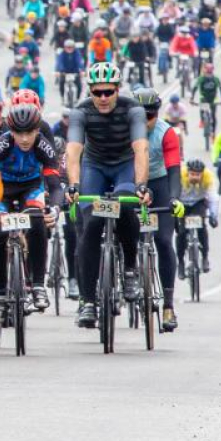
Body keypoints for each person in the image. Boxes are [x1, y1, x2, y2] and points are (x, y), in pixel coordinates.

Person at [64, 62, 150, 329]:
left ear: (117, 89)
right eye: (97, 92)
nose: (102, 98)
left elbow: (141, 149)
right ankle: (88, 302)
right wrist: (74, 186)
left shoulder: (132, 110)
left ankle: (130, 268)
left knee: (124, 206)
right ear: (90, 90)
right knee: (89, 225)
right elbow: (74, 151)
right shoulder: (81, 111)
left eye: (108, 92)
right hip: (95, 166)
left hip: (124, 166)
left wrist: (141, 185)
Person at [0, 101, 63, 314]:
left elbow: (55, 186)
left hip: (30, 188)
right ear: (11, 131)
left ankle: (37, 285)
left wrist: (54, 209)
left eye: (30, 133)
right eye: (19, 133)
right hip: (3, 189)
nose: (25, 139)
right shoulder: (1, 144)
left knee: (37, 223)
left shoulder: (44, 146)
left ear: (38, 130)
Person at [133, 88, 182, 332]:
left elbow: (174, 170)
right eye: (140, 117)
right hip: (132, 183)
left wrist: (174, 198)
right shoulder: (124, 132)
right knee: (126, 232)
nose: (145, 121)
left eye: (150, 116)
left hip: (160, 183)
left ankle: (168, 305)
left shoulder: (166, 133)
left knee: (164, 240)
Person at [178, 159, 219, 273]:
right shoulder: (180, 176)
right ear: (188, 173)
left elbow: (213, 197)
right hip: (182, 203)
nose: (195, 177)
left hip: (198, 203)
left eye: (198, 175)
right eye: (192, 174)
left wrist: (213, 215)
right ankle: (180, 262)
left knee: (202, 228)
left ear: (202, 174)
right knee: (181, 233)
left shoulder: (207, 178)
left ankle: (205, 257)